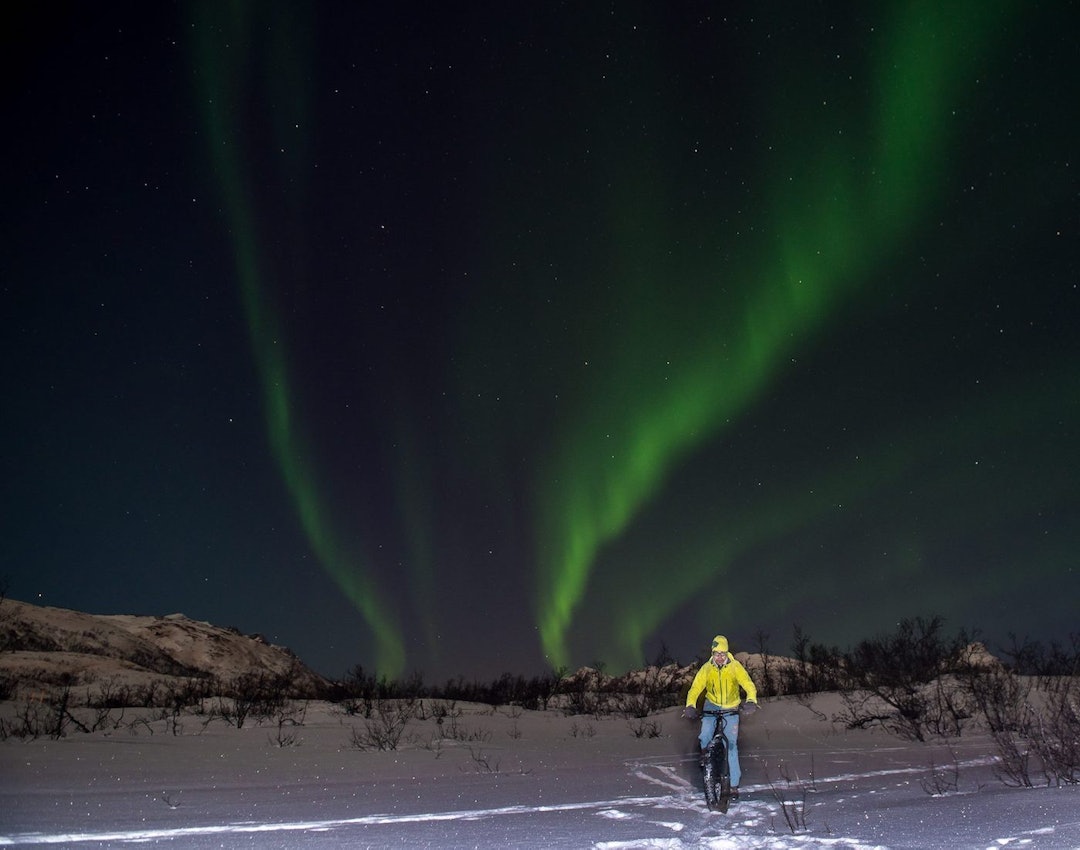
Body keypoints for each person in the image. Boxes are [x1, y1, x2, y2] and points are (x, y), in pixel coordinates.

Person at [682, 634, 758, 800]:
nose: (720, 657)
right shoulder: (706, 669)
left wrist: (751, 700)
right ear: (712, 653)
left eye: (723, 653)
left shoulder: (735, 667)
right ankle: (705, 754)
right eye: (717, 653)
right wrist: (690, 705)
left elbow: (748, 684)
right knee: (706, 731)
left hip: (731, 706)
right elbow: (695, 688)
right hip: (712, 704)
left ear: (727, 652)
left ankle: (734, 785)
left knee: (731, 746)